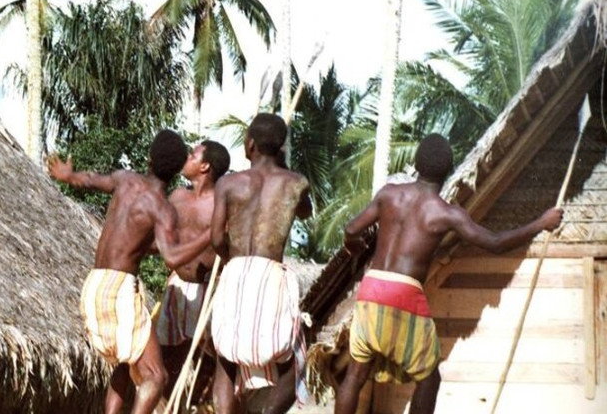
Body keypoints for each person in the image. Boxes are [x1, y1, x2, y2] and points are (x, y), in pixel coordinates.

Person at [333, 134, 562, 414]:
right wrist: (542, 222)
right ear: (449, 170)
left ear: (416, 163)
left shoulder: (388, 194)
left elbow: (351, 230)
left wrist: (355, 249)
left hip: (372, 288)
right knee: (429, 378)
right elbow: (496, 243)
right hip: (404, 294)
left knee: (356, 374)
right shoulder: (446, 213)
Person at [47, 130, 210, 414]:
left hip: (94, 285)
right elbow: (172, 256)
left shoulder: (125, 180)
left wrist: (66, 174)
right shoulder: (163, 209)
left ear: (148, 158)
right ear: (178, 172)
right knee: (156, 377)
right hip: (120, 289)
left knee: (125, 366)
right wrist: (208, 237)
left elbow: (88, 180)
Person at [208, 113, 312, 414]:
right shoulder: (296, 182)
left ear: (249, 144)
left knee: (225, 359)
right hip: (270, 275)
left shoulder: (228, 184)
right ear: (279, 148)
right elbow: (304, 212)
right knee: (294, 360)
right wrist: (284, 166)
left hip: (236, 270)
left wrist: (235, 265)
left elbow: (216, 238)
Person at [155, 140, 229, 390]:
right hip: (176, 285)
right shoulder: (177, 196)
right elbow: (163, 240)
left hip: (208, 290)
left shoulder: (222, 202)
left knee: (215, 358)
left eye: (193, 155)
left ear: (205, 166)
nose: (187, 157)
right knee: (167, 356)